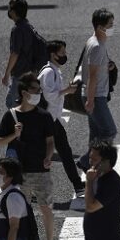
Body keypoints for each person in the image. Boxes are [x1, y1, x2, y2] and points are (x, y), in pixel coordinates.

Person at [0, 73, 57, 240]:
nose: (39, 93)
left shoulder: (43, 116)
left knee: (46, 208)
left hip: (40, 171)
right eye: (35, 90)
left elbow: (50, 141)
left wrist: (48, 157)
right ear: (24, 92)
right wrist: (14, 135)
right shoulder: (11, 115)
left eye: (39, 90)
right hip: (19, 173)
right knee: (20, 212)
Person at [37, 40, 85, 206]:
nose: (65, 55)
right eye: (62, 53)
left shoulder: (55, 70)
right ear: (53, 54)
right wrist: (67, 90)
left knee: (65, 153)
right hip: (47, 121)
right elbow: (50, 95)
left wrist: (67, 90)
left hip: (53, 120)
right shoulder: (48, 72)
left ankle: (78, 186)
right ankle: (32, 189)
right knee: (45, 155)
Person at [77, 8, 117, 172]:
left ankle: (90, 163)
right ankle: (87, 160)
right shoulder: (97, 47)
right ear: (100, 27)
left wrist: (108, 66)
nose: (112, 27)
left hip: (91, 94)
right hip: (95, 95)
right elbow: (92, 75)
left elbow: (93, 68)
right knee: (109, 131)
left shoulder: (93, 41)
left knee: (95, 134)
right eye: (110, 25)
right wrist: (91, 100)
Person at [2, 0, 35, 108]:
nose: (9, 10)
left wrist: (7, 74)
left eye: (10, 8)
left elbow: (15, 54)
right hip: (29, 71)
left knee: (12, 104)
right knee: (22, 102)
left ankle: (19, 124)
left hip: (20, 73)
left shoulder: (17, 29)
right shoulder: (28, 26)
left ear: (14, 12)